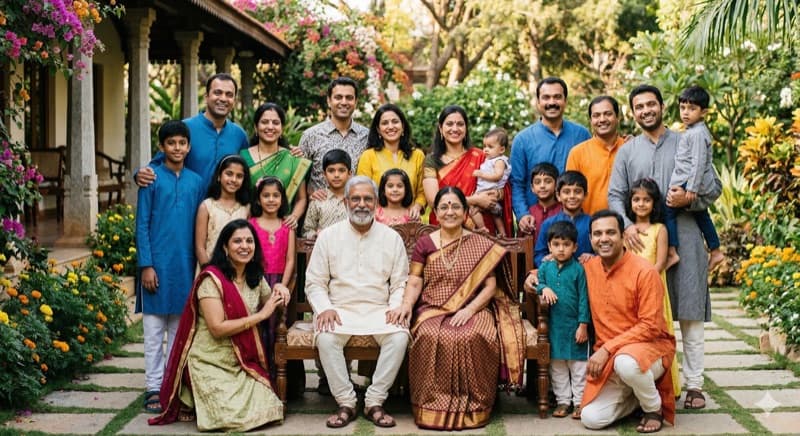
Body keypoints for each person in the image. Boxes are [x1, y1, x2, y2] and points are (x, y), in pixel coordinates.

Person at [608, 84, 721, 410]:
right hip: (642, 245)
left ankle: (695, 385)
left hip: (685, 237)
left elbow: (715, 187)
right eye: (639, 106)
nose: (645, 110)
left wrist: (691, 196)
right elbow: (615, 195)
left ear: (661, 106)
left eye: (651, 104)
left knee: (690, 313)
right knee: (647, 316)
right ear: (633, 112)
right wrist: (625, 226)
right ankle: (656, 383)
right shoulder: (628, 151)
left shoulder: (688, 139)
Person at [387, 186, 525, 430]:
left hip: (475, 308)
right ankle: (429, 406)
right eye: (443, 207)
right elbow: (415, 280)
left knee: (473, 334)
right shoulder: (425, 244)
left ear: (465, 213)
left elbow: (490, 287)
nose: (449, 211)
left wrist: (469, 310)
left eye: (455, 206)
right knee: (430, 334)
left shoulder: (479, 243)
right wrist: (407, 304)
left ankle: (476, 407)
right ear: (436, 213)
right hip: (432, 307)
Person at [149, 219, 286, 431]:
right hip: (208, 359)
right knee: (230, 417)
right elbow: (217, 328)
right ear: (225, 247)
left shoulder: (255, 277)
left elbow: (270, 302)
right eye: (237, 241)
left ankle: (197, 400)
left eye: (249, 241)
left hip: (240, 360)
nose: (244, 246)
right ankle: (190, 394)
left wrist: (279, 287)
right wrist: (260, 316)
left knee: (271, 409)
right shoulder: (211, 280)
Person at [305, 176, 410, 428]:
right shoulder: (328, 236)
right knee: (326, 336)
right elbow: (315, 282)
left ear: (376, 203)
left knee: (399, 336)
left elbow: (399, 283)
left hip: (379, 309)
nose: (361, 204)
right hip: (339, 309)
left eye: (367, 199)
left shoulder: (391, 237)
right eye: (356, 199)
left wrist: (395, 308)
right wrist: (325, 308)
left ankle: (374, 400)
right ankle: (346, 402)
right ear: (345, 202)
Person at [580, 210, 676, 433]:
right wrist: (535, 277)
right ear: (591, 239)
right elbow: (560, 275)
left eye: (611, 232)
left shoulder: (645, 271)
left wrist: (607, 349)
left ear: (623, 236)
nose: (604, 238)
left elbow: (650, 326)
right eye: (598, 234)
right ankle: (636, 397)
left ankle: (653, 408)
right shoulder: (589, 268)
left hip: (649, 350)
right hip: (611, 360)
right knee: (590, 418)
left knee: (626, 363)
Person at [136, 120, 205, 413]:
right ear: (162, 147)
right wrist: (146, 266)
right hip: (156, 266)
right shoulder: (152, 179)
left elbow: (201, 225)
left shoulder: (196, 182)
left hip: (185, 267)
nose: (177, 148)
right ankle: (153, 386)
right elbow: (141, 225)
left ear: (188, 147)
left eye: (182, 143)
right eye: (171, 143)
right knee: (153, 333)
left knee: (179, 332)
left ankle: (172, 383)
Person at [136, 73, 249, 190]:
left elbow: (246, 172)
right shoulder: (185, 128)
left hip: (225, 206)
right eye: (217, 93)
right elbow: (158, 163)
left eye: (229, 95)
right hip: (188, 204)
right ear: (207, 97)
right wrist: (140, 174)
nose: (223, 98)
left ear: (234, 101)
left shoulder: (239, 135)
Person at [510, 77, 591, 235]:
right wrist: (522, 215)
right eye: (546, 97)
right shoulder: (523, 140)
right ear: (538, 102)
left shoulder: (582, 134)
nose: (552, 102)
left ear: (565, 101)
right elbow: (516, 183)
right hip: (535, 224)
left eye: (557, 97)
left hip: (575, 223)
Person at [625, 178, 682, 397]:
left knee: (660, 332)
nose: (641, 204)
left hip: (654, 287)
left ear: (653, 203)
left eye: (646, 200)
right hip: (630, 290)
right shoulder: (627, 231)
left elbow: (660, 261)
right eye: (636, 199)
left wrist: (646, 281)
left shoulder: (660, 229)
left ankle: (669, 387)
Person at [422, 105, 510, 234]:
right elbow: (433, 200)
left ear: (466, 128)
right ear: (441, 128)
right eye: (449, 124)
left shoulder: (481, 156)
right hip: (445, 227)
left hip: (481, 227)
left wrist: (496, 194)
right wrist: (475, 200)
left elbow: (503, 185)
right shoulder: (431, 160)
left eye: (460, 124)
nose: (455, 128)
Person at [664, 85, 724, 270]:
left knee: (668, 208)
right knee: (702, 215)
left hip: (688, 181)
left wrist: (691, 188)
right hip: (689, 181)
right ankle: (715, 251)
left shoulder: (697, 134)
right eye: (683, 108)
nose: (686, 112)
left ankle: (672, 252)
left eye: (692, 109)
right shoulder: (692, 131)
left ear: (703, 112)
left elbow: (698, 162)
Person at [536, 221, 590, 419]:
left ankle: (579, 403)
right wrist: (544, 288)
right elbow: (538, 283)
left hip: (575, 327)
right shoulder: (545, 268)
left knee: (578, 368)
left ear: (574, 247)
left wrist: (583, 325)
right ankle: (563, 402)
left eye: (566, 244)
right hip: (555, 328)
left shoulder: (578, 270)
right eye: (556, 244)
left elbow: (584, 299)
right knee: (557, 366)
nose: (561, 249)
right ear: (549, 246)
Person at [249, 177, 296, 378]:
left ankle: (277, 379)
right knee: (257, 330)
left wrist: (281, 286)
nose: (270, 200)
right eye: (265, 195)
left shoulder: (287, 227)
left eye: (275, 195)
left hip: (278, 283)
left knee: (275, 329)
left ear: (282, 199)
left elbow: (291, 260)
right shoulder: (251, 224)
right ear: (258, 200)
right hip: (255, 284)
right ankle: (257, 374)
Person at [241, 102, 311, 230]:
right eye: (265, 122)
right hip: (251, 228)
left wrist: (294, 217)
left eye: (275, 122)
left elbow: (302, 199)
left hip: (283, 228)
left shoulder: (293, 158)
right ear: (256, 127)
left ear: (282, 128)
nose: (270, 126)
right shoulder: (243, 157)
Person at [357, 103, 426, 219]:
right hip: (377, 221)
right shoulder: (368, 156)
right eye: (385, 123)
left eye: (395, 121)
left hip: (409, 221)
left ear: (403, 126)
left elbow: (422, 191)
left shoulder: (417, 155)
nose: (390, 126)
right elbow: (362, 190)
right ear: (378, 130)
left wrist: (417, 207)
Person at [300, 77, 368, 194]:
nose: (344, 102)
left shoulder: (367, 136)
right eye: (338, 97)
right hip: (320, 209)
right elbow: (300, 178)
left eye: (349, 98)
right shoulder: (310, 136)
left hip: (356, 209)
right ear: (329, 101)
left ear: (356, 102)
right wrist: (311, 194)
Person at [566, 95, 626, 215]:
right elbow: (569, 194)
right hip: (589, 225)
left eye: (608, 114)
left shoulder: (629, 148)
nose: (602, 119)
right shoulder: (577, 153)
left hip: (628, 226)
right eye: (596, 115)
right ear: (590, 121)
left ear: (618, 117)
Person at [194, 155, 251, 267]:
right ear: (219, 176)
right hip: (210, 269)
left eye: (239, 176)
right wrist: (209, 273)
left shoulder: (246, 208)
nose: (233, 180)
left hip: (239, 271)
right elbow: (199, 247)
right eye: (229, 174)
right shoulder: (207, 206)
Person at [534, 171, 593, 267]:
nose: (572, 196)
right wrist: (545, 260)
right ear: (558, 196)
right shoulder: (548, 223)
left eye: (577, 191)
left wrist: (592, 257)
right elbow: (539, 254)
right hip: (555, 276)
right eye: (566, 192)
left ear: (585, 195)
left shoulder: (591, 223)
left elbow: (600, 252)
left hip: (586, 275)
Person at [470, 127, 512, 236]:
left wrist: (481, 174)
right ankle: (491, 230)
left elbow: (498, 176)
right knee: (494, 215)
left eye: (490, 147)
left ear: (501, 150)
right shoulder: (489, 160)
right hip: (484, 191)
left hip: (490, 192)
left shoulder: (499, 161)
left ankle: (489, 230)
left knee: (474, 211)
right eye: (484, 146)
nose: (486, 150)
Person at [302, 149, 352, 239]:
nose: (336, 175)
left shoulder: (355, 200)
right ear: (324, 174)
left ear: (349, 173)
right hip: (323, 249)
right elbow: (307, 230)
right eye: (331, 171)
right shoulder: (318, 200)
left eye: (341, 170)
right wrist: (314, 235)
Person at [519, 162, 562, 243]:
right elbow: (522, 244)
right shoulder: (529, 213)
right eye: (537, 182)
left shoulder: (563, 211)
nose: (542, 186)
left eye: (548, 181)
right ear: (532, 188)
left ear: (556, 185)